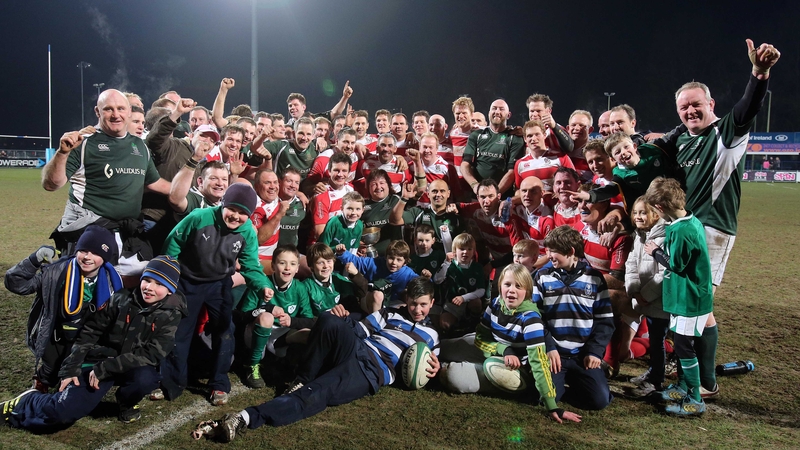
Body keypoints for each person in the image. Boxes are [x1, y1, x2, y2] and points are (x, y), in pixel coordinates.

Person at [656, 39, 780, 398]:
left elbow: (747, 107)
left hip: (712, 229)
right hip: (683, 230)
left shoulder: (726, 133)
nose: (690, 111)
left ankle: (705, 382)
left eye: (696, 104)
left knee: (699, 306)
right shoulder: (682, 141)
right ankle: (694, 371)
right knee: (689, 304)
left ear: (711, 104)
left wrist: (759, 73)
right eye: (683, 107)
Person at [193, 277, 439, 443]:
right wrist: (341, 318)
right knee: (329, 319)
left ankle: (244, 418)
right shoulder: (390, 313)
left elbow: (432, 365)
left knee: (315, 394)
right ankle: (302, 378)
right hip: (357, 348)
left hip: (370, 371)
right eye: (413, 304)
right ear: (407, 300)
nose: (417, 310)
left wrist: (437, 367)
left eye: (423, 305)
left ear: (432, 303)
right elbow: (359, 330)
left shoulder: (432, 336)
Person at [1, 256, 185, 428]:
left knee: (146, 379)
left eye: (159, 284)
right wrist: (71, 367)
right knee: (62, 414)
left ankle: (126, 403)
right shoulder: (120, 299)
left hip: (123, 365)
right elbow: (89, 332)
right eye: (147, 280)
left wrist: (107, 368)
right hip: (97, 362)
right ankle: (26, 402)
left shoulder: (172, 313)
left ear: (170, 290)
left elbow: (153, 353)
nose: (149, 287)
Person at [159, 183, 274, 405]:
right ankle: (171, 383)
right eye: (232, 209)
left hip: (219, 284)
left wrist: (262, 285)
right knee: (180, 331)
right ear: (223, 204)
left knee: (225, 330)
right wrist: (168, 278)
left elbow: (251, 264)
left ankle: (219, 383)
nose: (236, 216)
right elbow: (173, 245)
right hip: (188, 282)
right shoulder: (199, 217)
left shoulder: (247, 231)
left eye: (243, 213)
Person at [42, 89, 171, 278]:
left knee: (134, 282)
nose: (116, 114)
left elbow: (155, 182)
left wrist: (191, 194)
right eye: (108, 109)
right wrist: (62, 153)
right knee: (87, 288)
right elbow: (51, 184)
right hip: (90, 236)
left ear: (129, 111)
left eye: (121, 108)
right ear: (97, 112)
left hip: (127, 234)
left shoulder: (139, 146)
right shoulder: (83, 143)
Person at [438, 264, 581, 424]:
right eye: (507, 284)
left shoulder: (531, 319)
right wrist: (505, 349)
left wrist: (552, 406)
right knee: (441, 348)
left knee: (452, 376)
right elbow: (481, 337)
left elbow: (539, 363)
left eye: (518, 286)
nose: (512, 290)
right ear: (500, 286)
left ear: (527, 291)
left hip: (509, 367)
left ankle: (447, 368)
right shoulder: (495, 304)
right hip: (490, 348)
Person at [3, 226, 122, 391]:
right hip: (55, 334)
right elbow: (17, 284)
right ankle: (43, 379)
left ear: (105, 257)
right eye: (83, 250)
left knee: (80, 376)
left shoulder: (113, 280)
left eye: (95, 253)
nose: (87, 257)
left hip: (89, 337)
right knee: (52, 368)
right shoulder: (56, 272)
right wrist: (33, 260)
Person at [643, 177, 713, 416]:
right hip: (682, 296)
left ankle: (695, 399)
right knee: (682, 345)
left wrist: (655, 252)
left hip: (690, 298)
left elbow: (676, 265)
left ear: (660, 207)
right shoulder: (686, 221)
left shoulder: (683, 230)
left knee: (684, 347)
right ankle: (683, 387)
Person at [534, 226, 614, 411]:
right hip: (555, 355)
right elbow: (536, 318)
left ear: (570, 252)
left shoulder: (595, 278)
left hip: (582, 355)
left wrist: (594, 352)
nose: (548, 255)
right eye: (548, 250)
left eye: (553, 251)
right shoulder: (542, 276)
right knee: (544, 398)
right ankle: (557, 383)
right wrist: (549, 347)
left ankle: (581, 379)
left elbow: (605, 321)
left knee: (600, 401)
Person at [235, 245, 315, 389]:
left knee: (309, 334)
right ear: (273, 266)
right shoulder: (261, 284)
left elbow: (309, 320)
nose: (287, 268)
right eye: (282, 263)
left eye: (292, 264)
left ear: (297, 268)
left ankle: (298, 367)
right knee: (267, 317)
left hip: (281, 335)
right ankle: (252, 365)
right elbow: (242, 317)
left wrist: (291, 321)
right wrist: (267, 308)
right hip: (255, 332)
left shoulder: (300, 288)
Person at [625, 197, 670, 397]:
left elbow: (665, 273)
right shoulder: (639, 236)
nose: (638, 216)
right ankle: (653, 372)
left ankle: (656, 380)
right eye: (635, 212)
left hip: (660, 302)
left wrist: (645, 295)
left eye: (643, 212)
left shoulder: (664, 237)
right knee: (654, 339)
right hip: (645, 299)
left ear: (655, 214)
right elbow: (631, 263)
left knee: (657, 341)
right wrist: (634, 289)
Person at [461, 99, 525, 196]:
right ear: (489, 113)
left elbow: (512, 171)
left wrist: (495, 195)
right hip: (477, 194)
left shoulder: (515, 138)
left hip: (502, 196)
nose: (497, 112)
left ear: (508, 115)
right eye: (494, 108)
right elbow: (465, 164)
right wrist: (475, 186)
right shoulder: (476, 135)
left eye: (501, 109)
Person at [337, 240, 418, 313]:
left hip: (392, 302)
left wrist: (425, 278)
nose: (394, 262)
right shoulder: (374, 264)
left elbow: (420, 283)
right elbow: (356, 261)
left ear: (405, 262)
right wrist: (342, 253)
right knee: (378, 295)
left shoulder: (407, 274)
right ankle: (375, 322)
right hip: (370, 299)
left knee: (407, 304)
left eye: (399, 260)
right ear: (386, 257)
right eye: (391, 258)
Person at [433, 233, 487, 332]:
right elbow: (437, 280)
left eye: (469, 249)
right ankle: (458, 325)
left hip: (468, 301)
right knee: (445, 324)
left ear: (474, 251)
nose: (465, 252)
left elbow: (481, 290)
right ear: (454, 251)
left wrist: (464, 298)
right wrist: (446, 263)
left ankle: (473, 325)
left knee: (476, 303)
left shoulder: (477, 267)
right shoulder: (450, 265)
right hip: (452, 303)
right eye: (462, 249)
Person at [302, 243, 367, 316]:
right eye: (320, 263)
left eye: (328, 261)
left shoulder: (337, 278)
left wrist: (356, 275)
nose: (326, 266)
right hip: (323, 321)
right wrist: (328, 316)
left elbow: (362, 293)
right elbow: (306, 316)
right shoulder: (305, 287)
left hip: (344, 319)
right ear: (311, 266)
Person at [514, 120, 575, 192]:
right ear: (525, 139)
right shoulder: (520, 164)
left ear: (544, 135)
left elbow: (574, 183)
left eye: (537, 134)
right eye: (529, 136)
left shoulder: (561, 158)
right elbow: (519, 191)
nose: (533, 139)